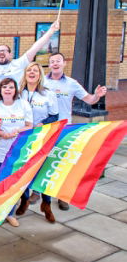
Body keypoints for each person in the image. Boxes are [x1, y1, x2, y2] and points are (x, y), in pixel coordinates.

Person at [43, 51, 107, 211]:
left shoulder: (71, 83)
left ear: (64, 63)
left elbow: (89, 99)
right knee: (45, 162)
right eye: (52, 61)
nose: (55, 63)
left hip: (64, 129)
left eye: (58, 61)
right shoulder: (42, 81)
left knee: (62, 164)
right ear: (49, 64)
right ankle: (42, 193)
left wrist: (97, 96)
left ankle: (62, 197)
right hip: (46, 129)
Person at [14, 62, 59, 222]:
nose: (32, 73)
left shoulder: (48, 93)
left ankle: (46, 204)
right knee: (24, 170)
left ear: (39, 75)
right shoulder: (19, 93)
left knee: (43, 170)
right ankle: (24, 200)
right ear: (25, 74)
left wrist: (43, 123)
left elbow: (55, 116)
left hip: (43, 137)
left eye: (35, 71)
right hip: (24, 138)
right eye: (29, 70)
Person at [0, 78, 33, 227]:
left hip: (17, 151)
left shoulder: (23, 105)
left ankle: (10, 214)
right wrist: (2, 134)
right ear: (0, 90)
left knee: (13, 184)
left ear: (15, 90)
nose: (8, 90)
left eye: (11, 87)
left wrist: (17, 131)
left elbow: (30, 126)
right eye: (4, 87)